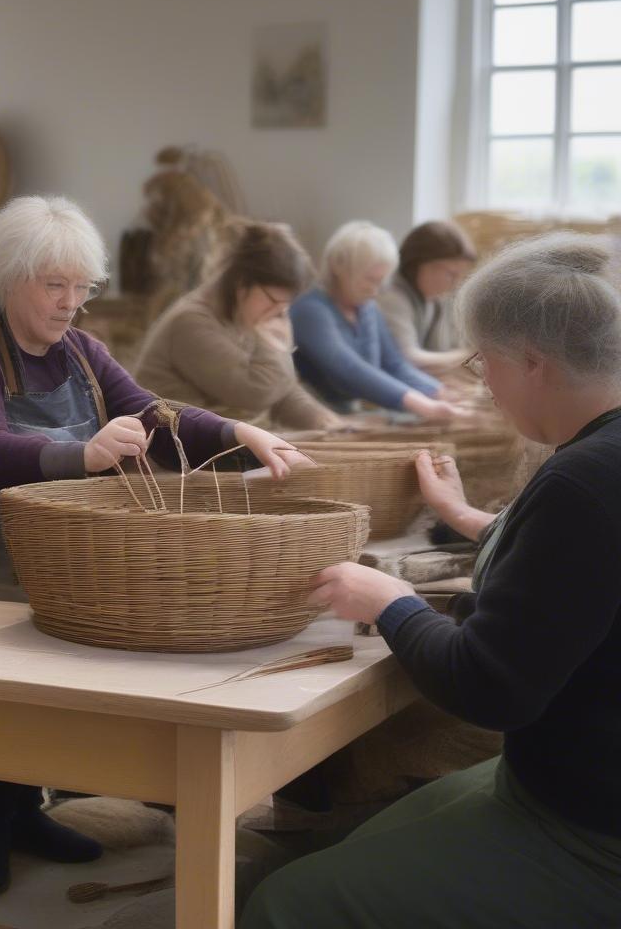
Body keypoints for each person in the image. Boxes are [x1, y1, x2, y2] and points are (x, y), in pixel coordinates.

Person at [0, 195, 309, 898]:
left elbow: (153, 411)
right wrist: (81, 453)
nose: (70, 304)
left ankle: (25, 811)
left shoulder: (82, 354)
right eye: (53, 286)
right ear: (8, 277)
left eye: (81, 288)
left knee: (55, 690)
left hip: (56, 550)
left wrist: (241, 434)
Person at [241, 232, 621, 929]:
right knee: (342, 844)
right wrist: (468, 518)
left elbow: (488, 686)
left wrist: (393, 601)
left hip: (589, 828)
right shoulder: (599, 461)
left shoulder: (583, 480)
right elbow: (576, 573)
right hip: (577, 787)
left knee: (282, 903)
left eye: (486, 363)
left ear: (534, 363)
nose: (483, 381)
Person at [135, 218, 342, 430]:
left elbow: (279, 388)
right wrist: (277, 346)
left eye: (286, 304)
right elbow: (255, 392)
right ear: (242, 285)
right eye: (274, 301)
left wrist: (319, 419)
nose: (280, 312)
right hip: (175, 450)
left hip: (217, 439)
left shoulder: (243, 314)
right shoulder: (191, 322)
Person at [290, 220, 463, 421]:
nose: (375, 290)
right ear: (339, 267)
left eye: (381, 281)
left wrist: (437, 391)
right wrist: (424, 405)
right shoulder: (310, 310)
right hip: (317, 418)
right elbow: (349, 369)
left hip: (352, 415)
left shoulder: (367, 308)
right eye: (370, 280)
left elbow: (394, 364)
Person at [377, 220, 477, 374]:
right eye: (451, 274)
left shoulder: (434, 298)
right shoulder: (391, 297)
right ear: (419, 265)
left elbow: (442, 350)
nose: (457, 283)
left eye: (460, 275)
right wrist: (470, 353)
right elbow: (409, 360)